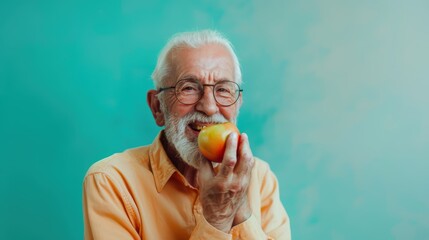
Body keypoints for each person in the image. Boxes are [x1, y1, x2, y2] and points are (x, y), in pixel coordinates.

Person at [83, 30, 291, 239]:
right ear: (157, 107)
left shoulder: (260, 177)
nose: (209, 107)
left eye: (223, 90)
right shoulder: (111, 181)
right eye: (189, 88)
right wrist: (218, 218)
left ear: (238, 104)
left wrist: (242, 213)